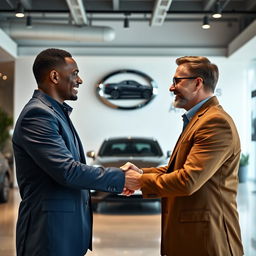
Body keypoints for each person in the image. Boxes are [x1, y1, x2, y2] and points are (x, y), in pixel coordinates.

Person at [122, 56, 244, 256]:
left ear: (197, 83)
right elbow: (178, 169)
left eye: (177, 81)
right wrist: (141, 172)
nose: (172, 87)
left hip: (208, 239)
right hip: (194, 235)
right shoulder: (199, 119)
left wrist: (140, 181)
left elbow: (188, 180)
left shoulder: (215, 123)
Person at [12, 48, 127, 256]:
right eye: (75, 73)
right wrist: (122, 178)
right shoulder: (37, 115)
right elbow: (67, 171)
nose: (80, 80)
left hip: (63, 232)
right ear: (55, 76)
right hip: (48, 235)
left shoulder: (55, 112)